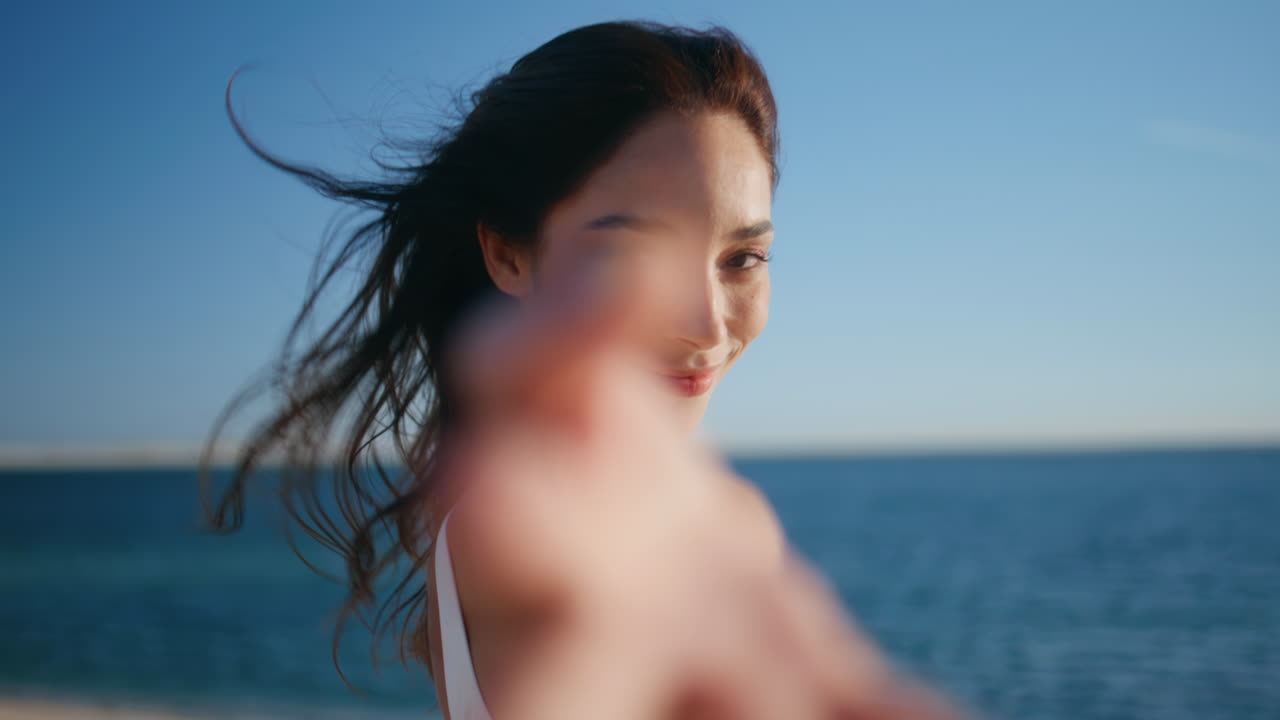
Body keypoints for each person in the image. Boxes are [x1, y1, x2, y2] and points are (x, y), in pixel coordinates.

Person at [204, 20, 961, 720]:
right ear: (508, 254)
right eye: (635, 255)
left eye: (743, 259)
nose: (706, 324)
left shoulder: (474, 527)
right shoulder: (524, 540)